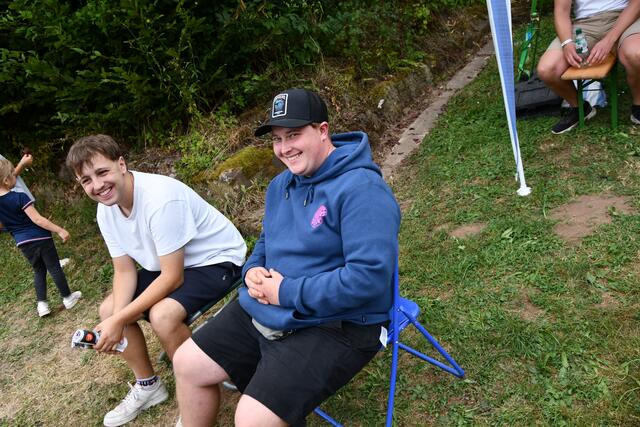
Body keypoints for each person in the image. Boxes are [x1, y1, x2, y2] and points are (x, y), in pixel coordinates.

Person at [172, 88, 401, 427]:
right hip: (271, 306)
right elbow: (267, 240)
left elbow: (368, 280)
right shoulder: (280, 186)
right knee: (186, 362)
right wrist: (252, 270)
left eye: (294, 135)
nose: (284, 148)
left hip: (342, 322)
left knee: (252, 419)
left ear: (322, 131)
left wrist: (285, 292)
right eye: (277, 139)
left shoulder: (362, 190)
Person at [65, 135, 247, 427]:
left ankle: (199, 387)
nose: (97, 185)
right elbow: (124, 271)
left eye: (101, 172)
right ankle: (149, 386)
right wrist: (116, 318)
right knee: (109, 310)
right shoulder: (106, 209)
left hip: (215, 259)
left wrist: (119, 320)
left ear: (121, 164)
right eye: (86, 180)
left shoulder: (160, 198)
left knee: (163, 316)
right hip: (169, 263)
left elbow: (173, 277)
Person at [537, 0, 640, 134]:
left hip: (625, 17)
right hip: (585, 24)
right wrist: (567, 43)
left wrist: (609, 40)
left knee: (636, 54)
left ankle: (638, 104)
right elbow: (561, 11)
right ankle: (580, 107)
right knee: (547, 69)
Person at [0, 159, 82, 317]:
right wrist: (59, 230)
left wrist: (13, 228)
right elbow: (37, 219)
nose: (15, 176)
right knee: (54, 267)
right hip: (40, 238)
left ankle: (42, 305)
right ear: (6, 180)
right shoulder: (20, 197)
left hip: (22, 243)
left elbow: (1, 226)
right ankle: (68, 298)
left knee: (39, 270)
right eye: (12, 174)